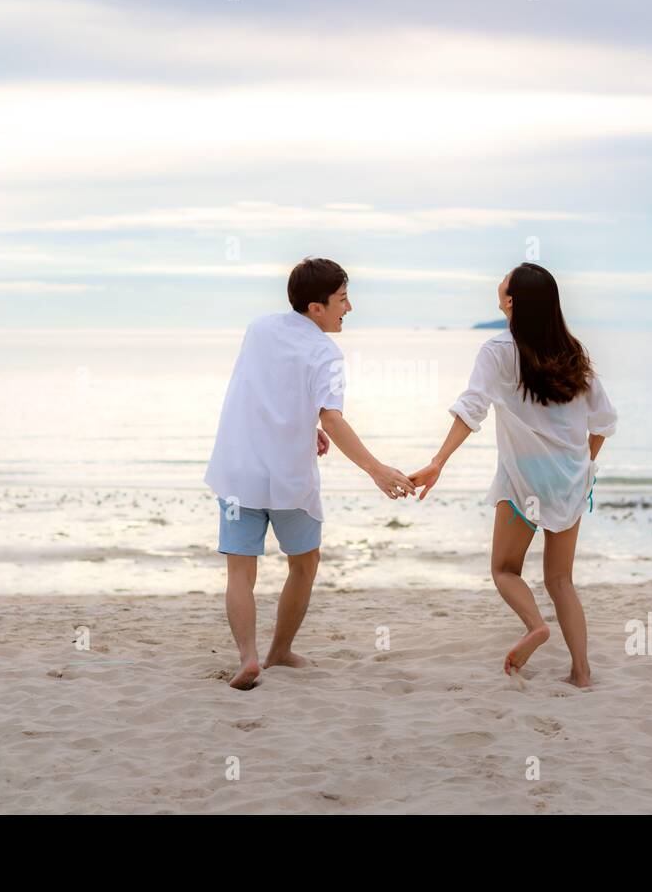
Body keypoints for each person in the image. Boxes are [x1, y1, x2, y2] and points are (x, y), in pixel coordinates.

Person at [204, 257, 415, 690]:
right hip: (288, 479)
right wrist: (376, 470)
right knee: (304, 564)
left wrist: (307, 426)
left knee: (240, 572)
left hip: (239, 469)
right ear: (315, 308)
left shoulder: (259, 328)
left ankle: (248, 658)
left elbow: (263, 391)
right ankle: (278, 651)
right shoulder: (326, 353)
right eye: (342, 299)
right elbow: (332, 418)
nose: (349, 308)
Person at [409, 263, 617, 687]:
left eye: (504, 281)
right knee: (561, 580)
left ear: (511, 301)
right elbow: (604, 423)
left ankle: (535, 626)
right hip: (570, 479)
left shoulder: (498, 349)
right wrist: (583, 465)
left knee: (505, 569)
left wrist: (438, 461)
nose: (499, 282)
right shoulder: (574, 351)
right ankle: (581, 672)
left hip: (523, 479)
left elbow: (472, 408)